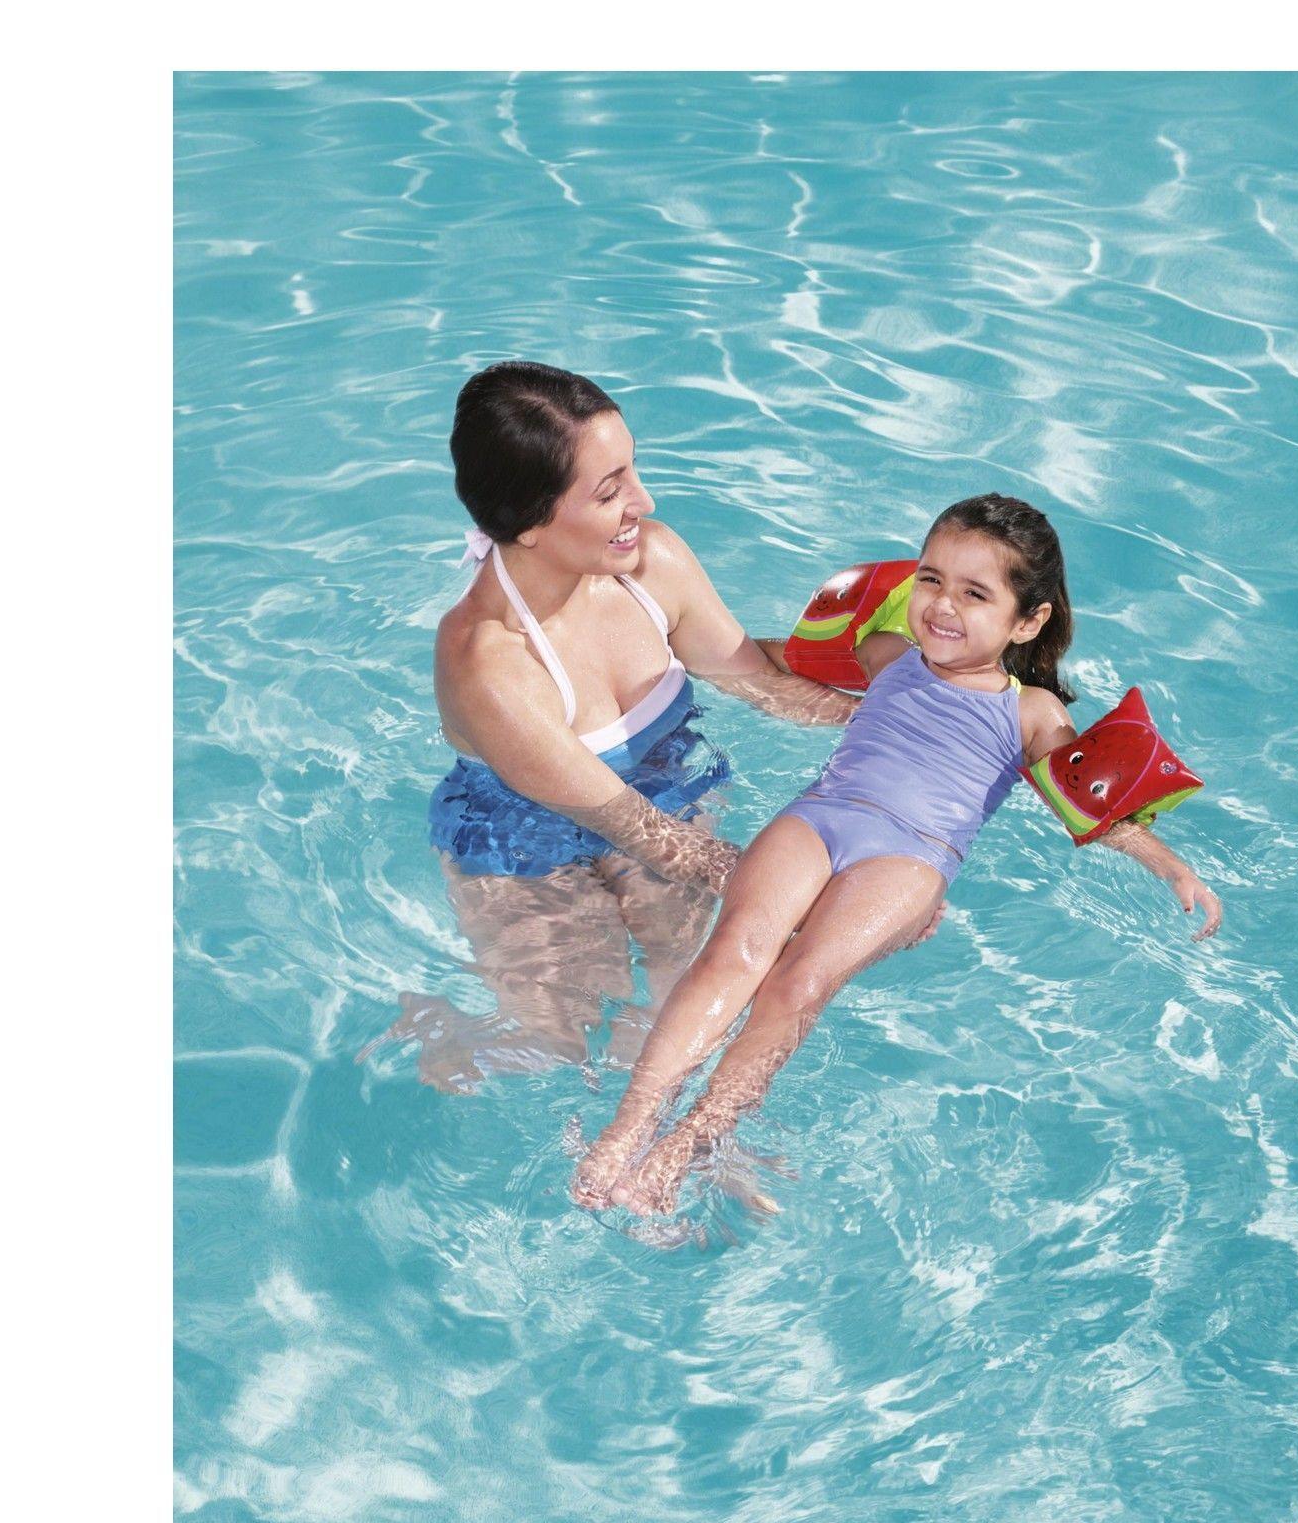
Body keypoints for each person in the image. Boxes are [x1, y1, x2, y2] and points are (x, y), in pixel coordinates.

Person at [574, 493, 1225, 1216]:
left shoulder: (1032, 712)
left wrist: (1171, 866)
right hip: (822, 816)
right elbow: (771, 662)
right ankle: (626, 1128)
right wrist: (663, 641)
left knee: (798, 984)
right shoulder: (885, 655)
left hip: (911, 856)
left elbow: (1085, 804)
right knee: (733, 949)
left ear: (1028, 620)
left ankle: (685, 1145)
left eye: (975, 594)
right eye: (932, 578)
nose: (943, 606)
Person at [369, 361, 898, 1092]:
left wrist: (899, 721)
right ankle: (444, 1032)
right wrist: (806, 895)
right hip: (524, 839)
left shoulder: (653, 564)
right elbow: (641, 833)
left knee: (690, 1003)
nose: (641, 503)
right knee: (556, 1044)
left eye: (633, 473)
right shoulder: (488, 661)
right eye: (610, 490)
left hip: (665, 784)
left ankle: (704, 1155)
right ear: (527, 521)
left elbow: (761, 682)